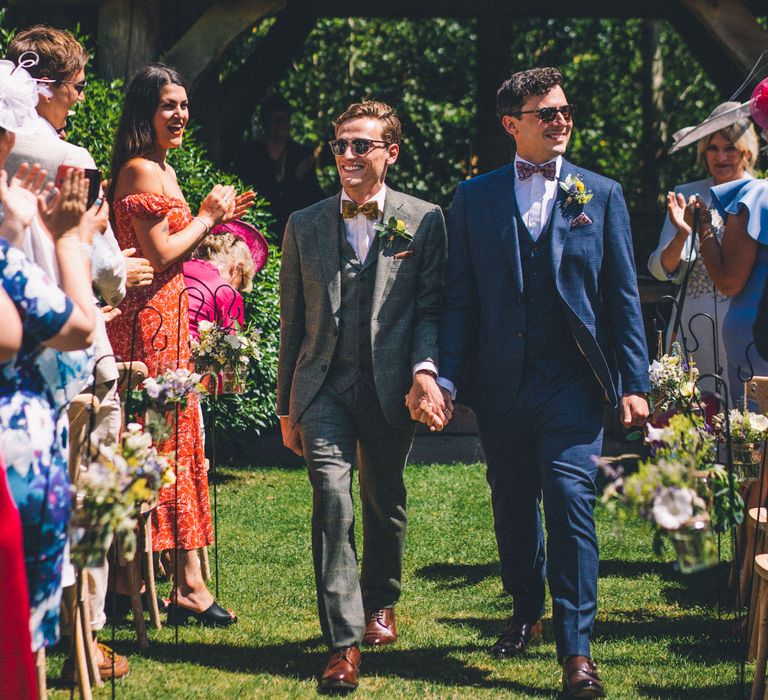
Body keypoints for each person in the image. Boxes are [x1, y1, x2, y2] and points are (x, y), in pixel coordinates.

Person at [423, 67, 649, 699]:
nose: (559, 121)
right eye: (545, 112)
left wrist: (634, 381)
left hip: (573, 382)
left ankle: (576, 652)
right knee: (513, 502)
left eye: (565, 111)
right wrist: (445, 376)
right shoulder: (475, 196)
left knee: (572, 499)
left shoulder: (599, 194)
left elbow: (622, 297)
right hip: (501, 384)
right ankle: (527, 606)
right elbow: (461, 299)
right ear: (510, 124)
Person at [277, 100, 447, 693]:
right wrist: (284, 405)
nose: (347, 155)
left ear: (390, 152)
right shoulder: (304, 223)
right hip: (322, 383)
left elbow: (430, 309)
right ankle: (343, 644)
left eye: (361, 146)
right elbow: (290, 322)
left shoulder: (424, 220)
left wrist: (425, 371)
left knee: (383, 498)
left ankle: (381, 600)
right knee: (332, 498)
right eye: (340, 145)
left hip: (389, 384)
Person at [4, 26, 141, 677]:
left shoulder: (10, 155)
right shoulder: (70, 158)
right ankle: (80, 647)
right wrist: (97, 262)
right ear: (47, 88)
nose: (80, 102)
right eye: (78, 88)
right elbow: (105, 268)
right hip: (55, 362)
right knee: (77, 506)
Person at [106, 63, 253, 626]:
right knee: (156, 449)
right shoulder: (141, 170)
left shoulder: (162, 170)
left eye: (185, 105)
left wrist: (213, 221)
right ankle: (169, 584)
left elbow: (176, 245)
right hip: (146, 331)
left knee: (169, 448)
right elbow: (164, 252)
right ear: (145, 111)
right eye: (169, 105)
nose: (181, 115)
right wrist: (208, 216)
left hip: (170, 327)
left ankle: (150, 582)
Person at [647, 102, 758, 391]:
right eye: (712, 148)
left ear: (746, 151)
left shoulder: (759, 194)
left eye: (730, 148)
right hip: (693, 321)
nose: (720, 156)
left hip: (745, 321)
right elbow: (662, 270)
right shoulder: (688, 194)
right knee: (693, 413)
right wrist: (683, 234)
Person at [234, 95, 323, 243]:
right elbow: (248, 192)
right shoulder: (250, 154)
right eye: (275, 119)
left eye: (285, 119)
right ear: (265, 122)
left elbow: (312, 197)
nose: (281, 124)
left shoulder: (300, 155)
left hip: (295, 231)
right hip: (259, 228)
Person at [183, 220, 266, 340]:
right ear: (237, 268)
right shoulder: (227, 292)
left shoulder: (178, 268)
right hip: (187, 355)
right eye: (241, 282)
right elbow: (231, 350)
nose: (237, 289)